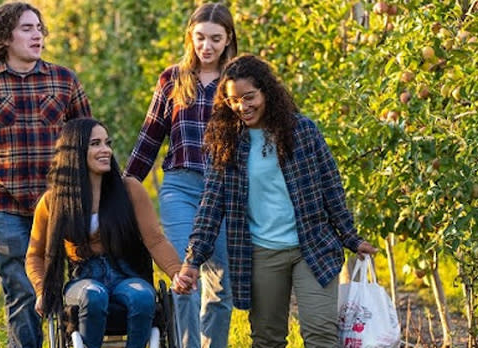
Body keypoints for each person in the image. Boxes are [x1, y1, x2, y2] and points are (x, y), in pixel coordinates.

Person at [175, 54, 378, 348]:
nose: (242, 107)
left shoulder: (302, 131)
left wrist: (351, 238)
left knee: (321, 334)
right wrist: (193, 260)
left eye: (249, 97)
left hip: (313, 245)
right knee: (267, 339)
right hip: (262, 252)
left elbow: (331, 188)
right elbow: (210, 205)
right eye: (233, 100)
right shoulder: (227, 144)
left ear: (266, 92)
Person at [0, 2, 91, 347]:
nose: (37, 34)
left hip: (59, 201)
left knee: (70, 281)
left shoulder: (64, 80)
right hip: (3, 202)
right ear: (4, 37)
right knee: (21, 287)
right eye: (27, 28)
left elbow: (89, 140)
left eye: (39, 28)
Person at [124, 3, 236, 347]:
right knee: (183, 274)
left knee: (221, 284)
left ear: (228, 38)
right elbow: (150, 137)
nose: (207, 46)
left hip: (224, 191)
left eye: (215, 39)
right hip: (180, 186)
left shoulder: (238, 79)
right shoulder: (173, 78)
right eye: (200, 37)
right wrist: (124, 187)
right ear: (190, 37)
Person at [25, 118, 186, 348]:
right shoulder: (53, 201)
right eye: (96, 144)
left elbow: (155, 240)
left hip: (126, 274)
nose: (106, 150)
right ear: (76, 150)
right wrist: (42, 290)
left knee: (142, 297)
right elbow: (35, 255)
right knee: (94, 295)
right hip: (84, 279)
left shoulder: (130, 190)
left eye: (107, 143)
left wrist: (176, 272)